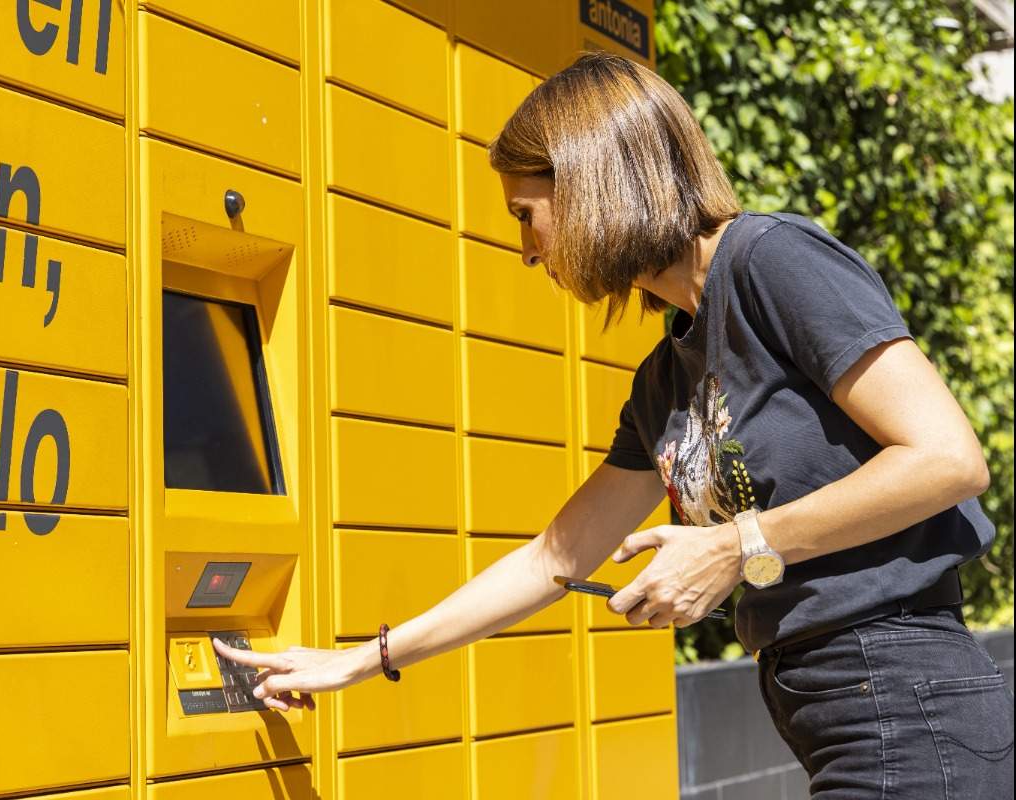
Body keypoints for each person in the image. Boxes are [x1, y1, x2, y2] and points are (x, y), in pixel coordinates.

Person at [214, 52, 1012, 797]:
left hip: (908, 699)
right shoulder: (665, 379)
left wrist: (734, 545)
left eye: (527, 214)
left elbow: (946, 459)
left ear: (592, 182)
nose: (525, 249)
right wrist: (359, 661)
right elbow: (551, 560)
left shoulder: (771, 260)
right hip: (827, 707)